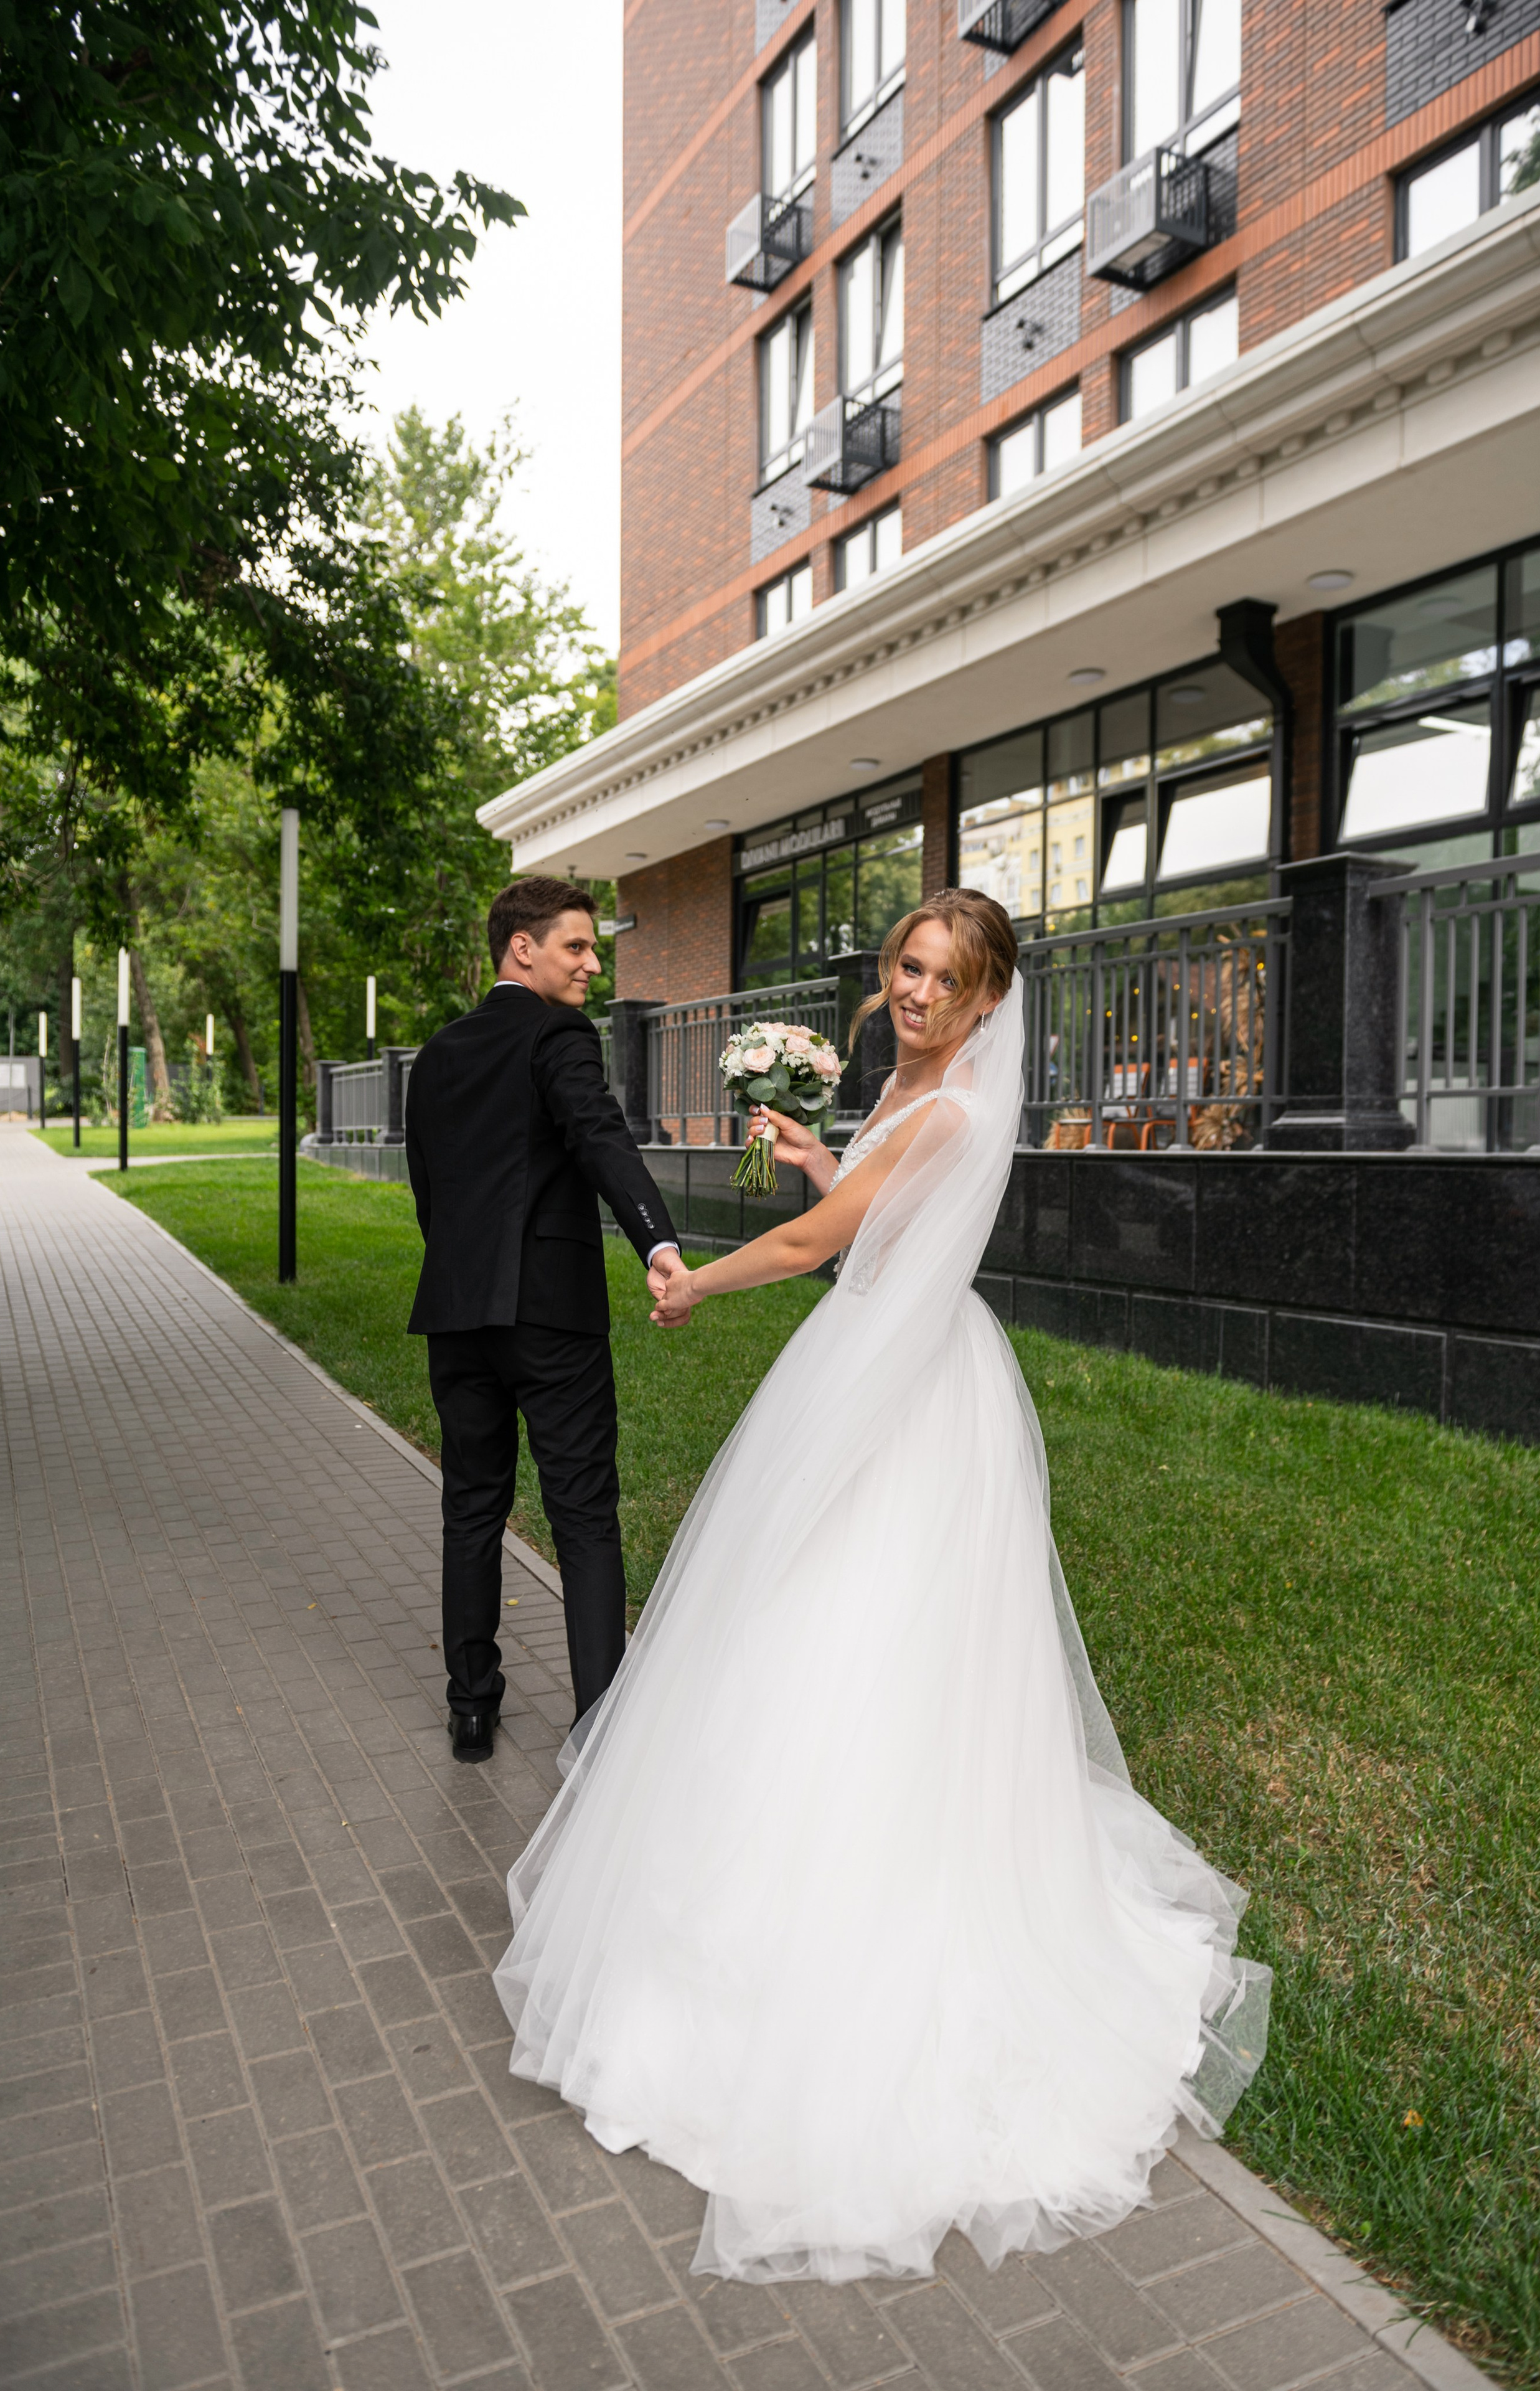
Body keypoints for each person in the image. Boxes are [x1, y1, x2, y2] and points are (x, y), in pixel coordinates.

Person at [493, 888, 1270, 2283]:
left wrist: (691, 1285)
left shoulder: (949, 1112)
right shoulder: (911, 1095)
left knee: (861, 1633)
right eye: (908, 966)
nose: (915, 993)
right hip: (879, 1352)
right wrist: (815, 1156)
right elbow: (866, 1227)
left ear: (986, 1004)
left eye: (944, 981)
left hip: (903, 1393)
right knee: (799, 1623)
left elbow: (813, 1250)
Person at [404, 877, 685, 1763]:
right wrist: (657, 1242)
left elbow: (428, 1190)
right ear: (522, 948)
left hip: (457, 1311)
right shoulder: (559, 1034)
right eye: (578, 946)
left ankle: (471, 1707)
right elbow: (599, 1134)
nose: (594, 965)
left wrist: (465, 1270)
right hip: (551, 1316)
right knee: (584, 1515)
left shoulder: (437, 1054)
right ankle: (598, 1731)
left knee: (471, 1507)